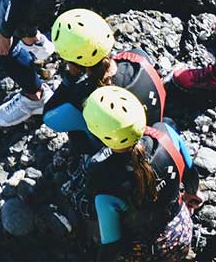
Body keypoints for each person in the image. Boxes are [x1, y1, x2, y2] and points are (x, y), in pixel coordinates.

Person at [82, 86, 202, 262]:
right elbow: (191, 175)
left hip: (149, 252)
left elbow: (111, 244)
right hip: (182, 231)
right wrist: (192, 194)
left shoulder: (105, 183)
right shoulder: (165, 133)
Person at [43, 9, 166, 156]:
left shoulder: (85, 99)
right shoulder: (138, 57)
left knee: (77, 134)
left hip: (117, 149)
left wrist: (70, 78)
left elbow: (49, 117)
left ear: (73, 63)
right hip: (154, 136)